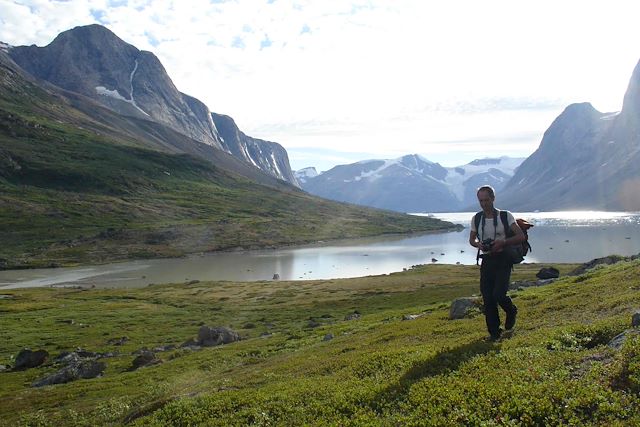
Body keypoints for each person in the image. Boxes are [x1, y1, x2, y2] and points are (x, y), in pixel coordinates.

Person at [469, 185, 525, 341]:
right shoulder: (477, 218)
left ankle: (511, 310)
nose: (484, 204)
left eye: (486, 200)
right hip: (487, 259)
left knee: (499, 294)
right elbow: (471, 239)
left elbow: (521, 236)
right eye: (481, 201)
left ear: (493, 198)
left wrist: (503, 242)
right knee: (488, 297)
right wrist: (479, 244)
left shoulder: (505, 216)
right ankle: (494, 333)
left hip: (503, 259)